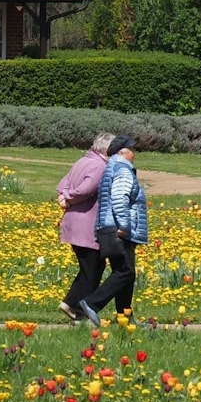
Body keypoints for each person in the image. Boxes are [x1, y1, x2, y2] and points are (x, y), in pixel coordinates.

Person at [78, 135, 147, 327]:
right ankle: (92, 303)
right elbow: (119, 198)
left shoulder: (111, 168)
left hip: (108, 227)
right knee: (125, 271)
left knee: (124, 272)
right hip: (118, 229)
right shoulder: (123, 169)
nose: (135, 154)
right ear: (123, 152)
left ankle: (124, 317)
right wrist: (124, 226)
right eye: (133, 150)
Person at [56, 133, 116, 323]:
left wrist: (65, 196)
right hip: (85, 225)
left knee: (91, 268)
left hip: (73, 224)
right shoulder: (99, 166)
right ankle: (72, 304)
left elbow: (62, 183)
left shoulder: (82, 161)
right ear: (107, 150)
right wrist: (71, 197)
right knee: (93, 269)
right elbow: (86, 189)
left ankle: (77, 312)